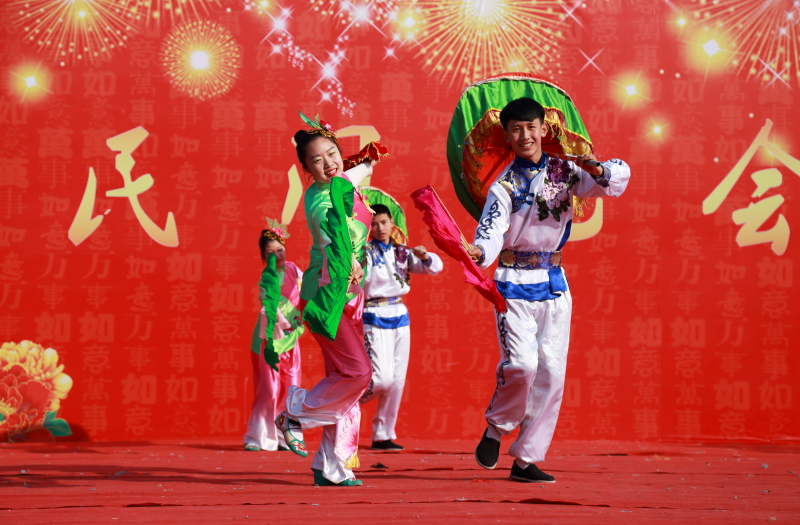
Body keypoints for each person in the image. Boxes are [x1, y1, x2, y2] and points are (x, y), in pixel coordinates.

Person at [466, 97, 630, 483]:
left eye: (531, 127)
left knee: (552, 373)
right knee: (522, 366)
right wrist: (479, 251)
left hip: (554, 283)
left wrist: (596, 167)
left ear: (544, 129)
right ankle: (496, 428)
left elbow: (616, 180)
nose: (525, 135)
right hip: (512, 285)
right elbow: (490, 231)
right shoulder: (503, 187)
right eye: (516, 129)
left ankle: (525, 460)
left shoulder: (567, 171)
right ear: (507, 136)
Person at [275, 114, 382, 487]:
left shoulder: (341, 182)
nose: (328, 163)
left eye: (332, 153)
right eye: (317, 160)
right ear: (306, 169)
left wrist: (369, 161)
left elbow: (353, 175)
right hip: (326, 298)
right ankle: (295, 414)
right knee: (358, 374)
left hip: (350, 297)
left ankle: (330, 466)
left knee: (342, 381)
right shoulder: (320, 201)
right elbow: (329, 238)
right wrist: (350, 259)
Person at [359, 203, 443, 450]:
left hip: (399, 314)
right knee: (382, 379)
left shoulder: (402, 252)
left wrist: (424, 256)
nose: (380, 228)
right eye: (374, 224)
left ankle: (383, 434)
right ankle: (344, 403)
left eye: (384, 223)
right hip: (374, 314)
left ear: (392, 223)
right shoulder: (364, 253)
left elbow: (436, 267)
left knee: (396, 381)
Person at [244, 221, 303, 452]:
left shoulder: (294, 270)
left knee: (292, 389)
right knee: (268, 389)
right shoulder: (267, 277)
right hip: (270, 338)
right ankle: (256, 436)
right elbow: (269, 308)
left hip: (291, 341)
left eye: (280, 250)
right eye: (270, 253)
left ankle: (284, 437)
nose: (277, 255)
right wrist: (288, 322)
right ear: (263, 256)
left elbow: (305, 294)